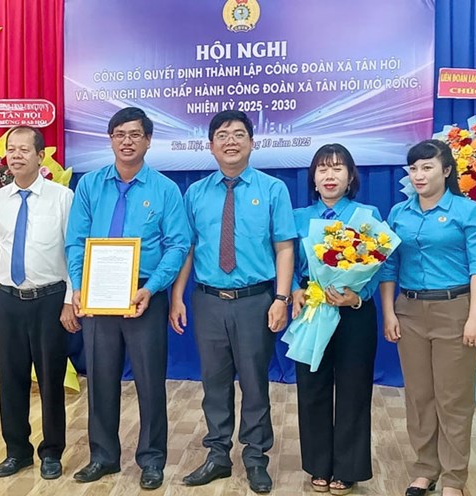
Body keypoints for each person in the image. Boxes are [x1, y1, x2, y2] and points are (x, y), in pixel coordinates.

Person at [169, 110, 295, 494]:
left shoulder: (273, 190)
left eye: (239, 134)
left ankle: (256, 457)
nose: (230, 141)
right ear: (210, 146)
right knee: (214, 383)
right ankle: (218, 455)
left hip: (255, 300)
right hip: (207, 300)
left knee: (256, 383)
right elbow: (187, 248)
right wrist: (177, 296)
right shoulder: (195, 193)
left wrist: (282, 298)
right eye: (222, 135)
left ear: (252, 143)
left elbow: (285, 247)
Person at [66, 107, 191, 490]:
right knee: (100, 378)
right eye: (119, 134)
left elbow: (178, 244)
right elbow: (76, 239)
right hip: (97, 294)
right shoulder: (89, 185)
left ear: (148, 141)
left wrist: (152, 289)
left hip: (142, 294)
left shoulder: (165, 189)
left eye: (135, 134)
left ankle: (152, 460)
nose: (127, 140)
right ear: (110, 139)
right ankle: (103, 456)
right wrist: (78, 286)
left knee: (150, 381)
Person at [0, 126, 79, 481]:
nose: (16, 155)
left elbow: (73, 253)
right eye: (11, 149)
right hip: (8, 301)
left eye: (24, 149)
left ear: (41, 155)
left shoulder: (62, 197)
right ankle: (17, 451)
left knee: (51, 380)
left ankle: (52, 452)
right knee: (12, 380)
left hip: (49, 299)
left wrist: (70, 301)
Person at [380, 139, 476, 496]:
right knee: (420, 396)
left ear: (447, 170)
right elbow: (388, 265)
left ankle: (454, 477)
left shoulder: (467, 212)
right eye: (414, 168)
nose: (419, 175)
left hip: (456, 310)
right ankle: (426, 468)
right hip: (409, 311)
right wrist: (389, 312)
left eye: (427, 167)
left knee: (453, 398)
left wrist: (475, 317)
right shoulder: (398, 214)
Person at [288, 144, 381, 495]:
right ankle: (318, 464)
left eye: (338, 169)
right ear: (313, 178)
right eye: (323, 169)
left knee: (354, 390)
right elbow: (283, 260)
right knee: (312, 388)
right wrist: (297, 289)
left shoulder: (366, 214)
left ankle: (349, 467)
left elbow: (378, 268)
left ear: (351, 177)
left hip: (354, 314)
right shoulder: (297, 217)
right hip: (313, 310)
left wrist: (358, 296)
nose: (330, 176)